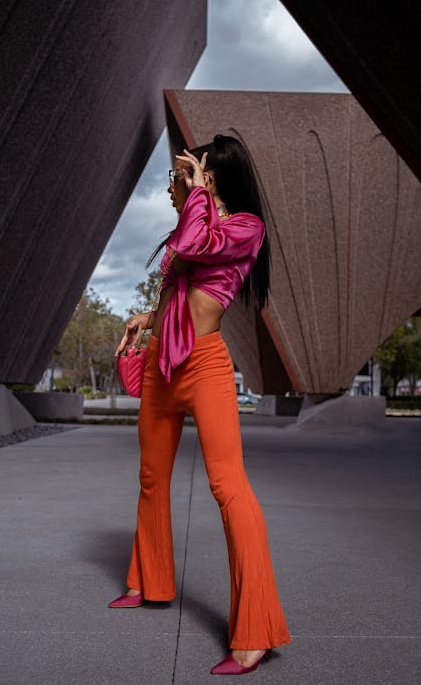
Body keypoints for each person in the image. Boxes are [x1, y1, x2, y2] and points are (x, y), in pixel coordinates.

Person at [110, 134, 291, 675]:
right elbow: (178, 281)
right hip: (164, 364)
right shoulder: (200, 218)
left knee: (228, 486)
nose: (194, 179)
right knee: (150, 477)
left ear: (220, 177)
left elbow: (192, 249)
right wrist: (149, 317)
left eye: (202, 172)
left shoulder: (245, 228)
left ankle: (256, 631)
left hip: (206, 367)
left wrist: (192, 199)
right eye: (193, 173)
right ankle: (149, 581)